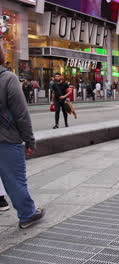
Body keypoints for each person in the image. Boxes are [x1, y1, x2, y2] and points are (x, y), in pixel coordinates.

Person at [0, 46, 45, 228]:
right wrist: (29, 140)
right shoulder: (7, 78)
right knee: (15, 181)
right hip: (6, 140)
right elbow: (21, 114)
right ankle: (27, 214)